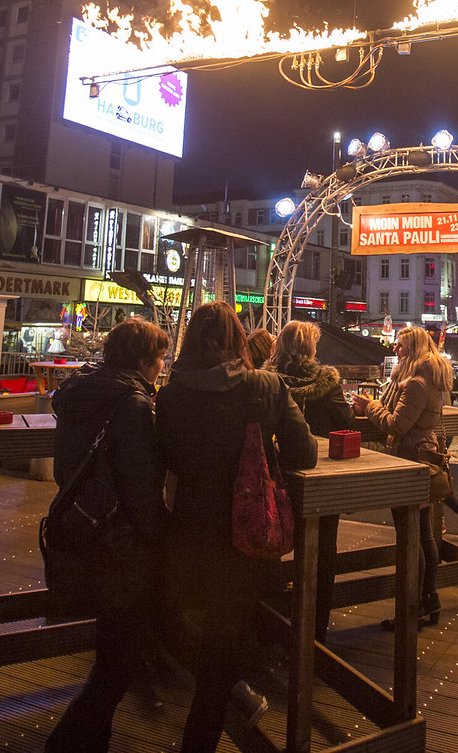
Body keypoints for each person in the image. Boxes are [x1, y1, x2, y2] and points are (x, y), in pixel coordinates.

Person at [156, 303, 317, 753]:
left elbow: (161, 460)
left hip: (186, 532)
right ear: (239, 341)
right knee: (225, 640)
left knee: (180, 622)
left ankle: (223, 703)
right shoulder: (264, 386)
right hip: (244, 538)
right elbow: (305, 454)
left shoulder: (171, 395)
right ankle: (205, 733)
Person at [46, 318, 170, 751]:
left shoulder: (78, 394)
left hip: (82, 529)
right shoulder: (133, 406)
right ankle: (66, 743)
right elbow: (140, 489)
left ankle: (93, 745)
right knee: (120, 661)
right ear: (142, 361)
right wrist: (161, 540)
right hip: (120, 544)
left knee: (109, 647)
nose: (161, 367)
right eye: (159, 359)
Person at [352, 326, 450, 629]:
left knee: (411, 537)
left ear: (414, 349)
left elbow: (396, 425)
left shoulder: (417, 383)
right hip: (421, 456)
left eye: (401, 347)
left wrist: (370, 407)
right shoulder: (426, 378)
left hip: (408, 460)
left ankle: (414, 607)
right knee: (423, 533)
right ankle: (428, 599)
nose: (396, 351)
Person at [269, 320, 355, 437]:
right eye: (314, 344)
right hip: (318, 450)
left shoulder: (267, 380)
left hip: (275, 451)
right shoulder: (326, 382)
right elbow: (346, 421)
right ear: (309, 349)